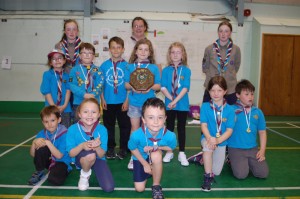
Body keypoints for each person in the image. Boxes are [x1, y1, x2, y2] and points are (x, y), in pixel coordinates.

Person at [128, 97, 176, 199]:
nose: (156, 122)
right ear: (143, 119)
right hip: (140, 157)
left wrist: (157, 146)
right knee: (139, 189)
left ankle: (156, 185)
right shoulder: (136, 135)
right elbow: (132, 148)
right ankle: (150, 170)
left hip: (154, 154)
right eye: (150, 117)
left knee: (156, 155)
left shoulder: (170, 135)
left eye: (160, 117)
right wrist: (145, 164)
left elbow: (171, 147)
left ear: (165, 118)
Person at [125, 38, 161, 170]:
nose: (143, 52)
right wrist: (133, 87)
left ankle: (149, 154)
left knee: (150, 130)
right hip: (134, 103)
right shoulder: (129, 67)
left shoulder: (153, 67)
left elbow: (158, 85)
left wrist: (149, 87)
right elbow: (126, 84)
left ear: (150, 52)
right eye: (140, 49)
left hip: (149, 104)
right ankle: (133, 157)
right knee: (134, 130)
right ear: (136, 51)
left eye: (146, 50)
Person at [66, 98, 114, 192]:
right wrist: (82, 146)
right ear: (79, 114)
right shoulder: (72, 129)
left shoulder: (102, 130)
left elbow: (101, 155)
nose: (89, 115)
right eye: (85, 112)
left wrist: (97, 147)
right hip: (80, 158)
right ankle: (84, 174)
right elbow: (71, 154)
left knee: (109, 188)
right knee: (90, 156)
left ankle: (90, 168)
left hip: (98, 158)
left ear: (99, 114)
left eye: (93, 112)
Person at [227, 79, 269, 179]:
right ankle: (230, 158)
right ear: (237, 95)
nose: (250, 97)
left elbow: (262, 132)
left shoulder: (257, 112)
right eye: (246, 94)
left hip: (253, 149)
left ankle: (247, 162)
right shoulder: (231, 110)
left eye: (252, 94)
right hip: (236, 148)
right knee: (241, 175)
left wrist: (262, 150)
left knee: (263, 173)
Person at [200, 76, 235, 192]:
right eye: (213, 90)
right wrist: (210, 139)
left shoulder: (230, 110)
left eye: (219, 90)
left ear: (225, 91)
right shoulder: (205, 106)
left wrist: (218, 141)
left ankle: (201, 157)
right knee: (208, 148)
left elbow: (229, 131)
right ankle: (207, 177)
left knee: (217, 172)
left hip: (221, 141)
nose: (216, 93)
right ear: (208, 91)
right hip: (208, 138)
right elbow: (203, 126)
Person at [100, 36, 131, 160]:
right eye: (113, 47)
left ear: (123, 49)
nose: (116, 50)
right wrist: (102, 99)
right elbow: (100, 85)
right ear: (109, 49)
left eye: (119, 47)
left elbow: (131, 85)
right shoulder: (104, 65)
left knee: (125, 126)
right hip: (108, 101)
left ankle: (124, 148)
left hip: (123, 101)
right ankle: (110, 148)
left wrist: (127, 100)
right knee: (109, 126)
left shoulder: (128, 66)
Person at [161, 42, 191, 166]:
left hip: (182, 104)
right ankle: (169, 151)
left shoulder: (186, 70)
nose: (175, 54)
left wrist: (175, 101)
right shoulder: (166, 70)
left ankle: (182, 153)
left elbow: (185, 88)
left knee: (181, 128)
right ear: (169, 54)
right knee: (169, 128)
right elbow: (163, 87)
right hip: (169, 104)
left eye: (178, 52)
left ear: (183, 54)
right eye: (173, 52)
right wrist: (170, 100)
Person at [28, 106, 72, 186]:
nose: (49, 124)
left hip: (61, 161)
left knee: (54, 181)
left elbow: (59, 156)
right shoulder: (42, 133)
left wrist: (48, 143)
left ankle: (65, 170)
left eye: (52, 120)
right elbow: (33, 154)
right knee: (40, 147)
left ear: (59, 120)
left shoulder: (65, 133)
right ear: (42, 122)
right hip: (49, 161)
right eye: (46, 121)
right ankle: (39, 172)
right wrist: (34, 142)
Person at [202, 20, 241, 105]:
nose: (223, 34)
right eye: (221, 31)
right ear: (218, 33)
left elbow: (236, 66)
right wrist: (213, 76)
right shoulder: (209, 49)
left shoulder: (236, 49)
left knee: (229, 114)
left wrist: (228, 75)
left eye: (226, 31)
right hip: (211, 87)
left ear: (230, 33)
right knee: (207, 113)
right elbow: (205, 67)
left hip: (229, 88)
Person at [69, 42, 104, 123]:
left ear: (94, 56)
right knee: (78, 125)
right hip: (78, 102)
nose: (87, 55)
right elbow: (72, 85)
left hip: (94, 102)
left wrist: (93, 95)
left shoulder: (98, 70)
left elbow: (101, 84)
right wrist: (84, 94)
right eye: (84, 53)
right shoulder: (74, 70)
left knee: (93, 125)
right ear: (80, 56)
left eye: (90, 53)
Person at [40, 49, 72, 128]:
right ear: (50, 62)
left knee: (65, 130)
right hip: (50, 108)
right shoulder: (47, 75)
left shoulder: (67, 76)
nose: (57, 60)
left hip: (65, 109)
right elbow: (46, 91)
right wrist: (53, 107)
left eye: (60, 58)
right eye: (54, 59)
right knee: (51, 129)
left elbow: (68, 91)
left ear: (64, 60)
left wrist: (64, 105)